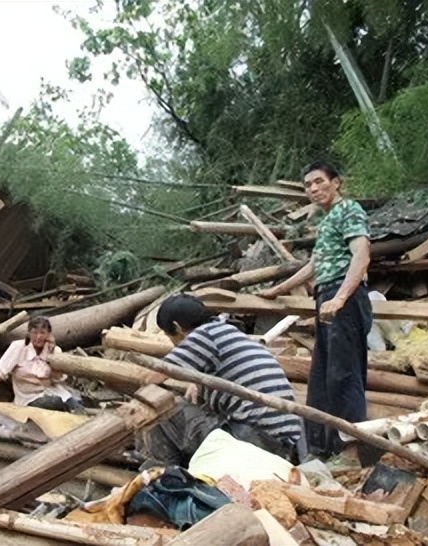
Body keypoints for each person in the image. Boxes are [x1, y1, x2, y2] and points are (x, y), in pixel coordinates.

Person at [259, 161, 371, 456]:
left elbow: (361, 255)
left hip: (342, 299)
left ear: (336, 182)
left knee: (343, 376)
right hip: (327, 298)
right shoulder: (327, 220)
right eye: (308, 185)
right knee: (322, 378)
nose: (313, 189)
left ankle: (351, 451)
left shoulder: (349, 210)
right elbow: (314, 265)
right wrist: (278, 290)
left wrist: (341, 298)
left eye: (319, 181)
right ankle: (323, 449)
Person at [139, 294, 303, 466]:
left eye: (169, 336)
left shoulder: (203, 336)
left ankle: (162, 476)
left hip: (252, 439)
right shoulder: (226, 332)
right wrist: (196, 382)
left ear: (177, 327)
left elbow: (154, 375)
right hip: (280, 442)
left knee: (163, 412)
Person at [0, 316, 84, 413]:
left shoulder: (55, 350)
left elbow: (58, 378)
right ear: (29, 333)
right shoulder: (18, 347)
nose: (38, 337)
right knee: (55, 403)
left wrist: (50, 357)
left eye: (42, 333)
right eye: (35, 333)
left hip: (52, 391)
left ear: (49, 334)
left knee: (75, 402)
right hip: (29, 397)